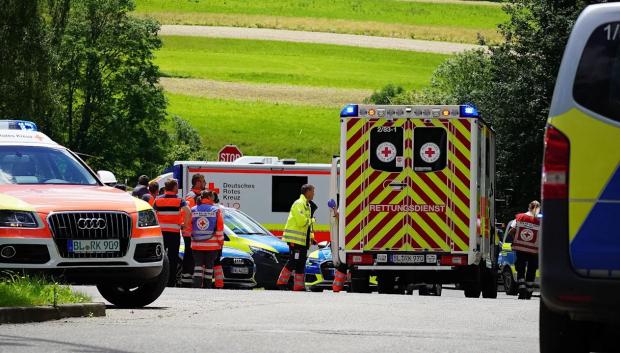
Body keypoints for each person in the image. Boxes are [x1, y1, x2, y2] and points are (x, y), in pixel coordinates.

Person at [276, 184, 316, 291]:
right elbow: (301, 221)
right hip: (295, 240)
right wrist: (312, 220)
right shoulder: (299, 204)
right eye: (312, 191)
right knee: (294, 260)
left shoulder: (307, 205)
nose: (314, 194)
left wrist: (311, 237)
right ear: (307, 192)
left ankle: (299, 286)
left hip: (302, 241)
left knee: (301, 262)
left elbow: (308, 227)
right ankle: (281, 282)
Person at [153, 179, 191, 287]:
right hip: (174, 233)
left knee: (160, 257)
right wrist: (185, 224)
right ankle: (171, 281)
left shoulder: (158, 199)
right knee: (173, 257)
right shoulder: (179, 200)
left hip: (161, 233)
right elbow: (188, 211)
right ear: (174, 187)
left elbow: (152, 212)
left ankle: (159, 280)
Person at [190, 190, 225, 289]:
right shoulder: (215, 210)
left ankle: (196, 286)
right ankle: (207, 288)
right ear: (209, 197)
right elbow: (219, 228)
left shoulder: (193, 209)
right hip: (212, 245)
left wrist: (191, 239)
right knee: (209, 268)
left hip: (196, 245)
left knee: (198, 267)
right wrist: (220, 242)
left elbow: (188, 226)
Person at [508, 200, 541, 300]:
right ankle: (529, 292)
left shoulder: (520, 218)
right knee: (532, 270)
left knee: (521, 269)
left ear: (528, 207)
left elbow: (511, 232)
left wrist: (516, 240)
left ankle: (522, 289)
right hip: (534, 250)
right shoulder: (541, 220)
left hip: (520, 248)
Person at [180, 174, 206, 287]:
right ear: (198, 182)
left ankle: (188, 277)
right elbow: (189, 213)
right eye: (203, 181)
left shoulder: (195, 195)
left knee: (191, 255)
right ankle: (186, 278)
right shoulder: (192, 196)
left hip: (192, 230)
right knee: (190, 255)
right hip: (190, 231)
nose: (205, 183)